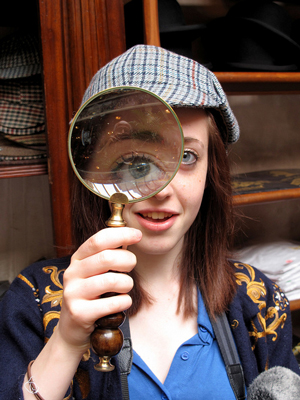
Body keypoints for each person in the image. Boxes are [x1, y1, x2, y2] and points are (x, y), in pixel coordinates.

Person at [0, 45, 299, 400]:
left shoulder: (260, 300)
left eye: (187, 156)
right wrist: (65, 341)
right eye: (135, 160)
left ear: (211, 172)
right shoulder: (32, 300)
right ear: (93, 171)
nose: (163, 189)